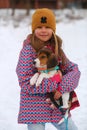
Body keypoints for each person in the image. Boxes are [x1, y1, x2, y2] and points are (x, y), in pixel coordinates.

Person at [16, 8, 81, 130]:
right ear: (34, 29)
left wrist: (62, 88)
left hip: (56, 107)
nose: (43, 31)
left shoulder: (56, 50)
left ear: (53, 29)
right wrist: (53, 84)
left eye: (47, 27)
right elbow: (25, 81)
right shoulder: (28, 51)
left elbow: (74, 70)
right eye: (39, 27)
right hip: (34, 109)